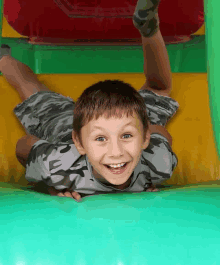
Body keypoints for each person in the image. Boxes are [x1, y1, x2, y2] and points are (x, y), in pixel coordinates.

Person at [1, 0, 179, 201]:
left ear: (145, 138)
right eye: (101, 139)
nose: (116, 152)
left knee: (157, 91)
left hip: (124, 119)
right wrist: (49, 185)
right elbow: (23, 146)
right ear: (80, 143)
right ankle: (4, 59)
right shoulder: (59, 166)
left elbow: (159, 132)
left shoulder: (157, 163)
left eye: (126, 136)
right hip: (65, 128)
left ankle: (150, 28)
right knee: (32, 91)